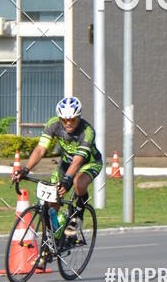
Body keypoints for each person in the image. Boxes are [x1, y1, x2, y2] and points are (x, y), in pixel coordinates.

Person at [15, 96, 102, 250]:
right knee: (50, 202)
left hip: (88, 162)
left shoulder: (87, 131)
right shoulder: (53, 124)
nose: (68, 123)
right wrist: (25, 169)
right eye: (64, 120)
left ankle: (78, 218)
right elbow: (41, 149)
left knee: (77, 183)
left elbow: (78, 160)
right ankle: (54, 238)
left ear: (78, 117)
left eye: (72, 120)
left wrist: (68, 179)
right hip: (66, 162)